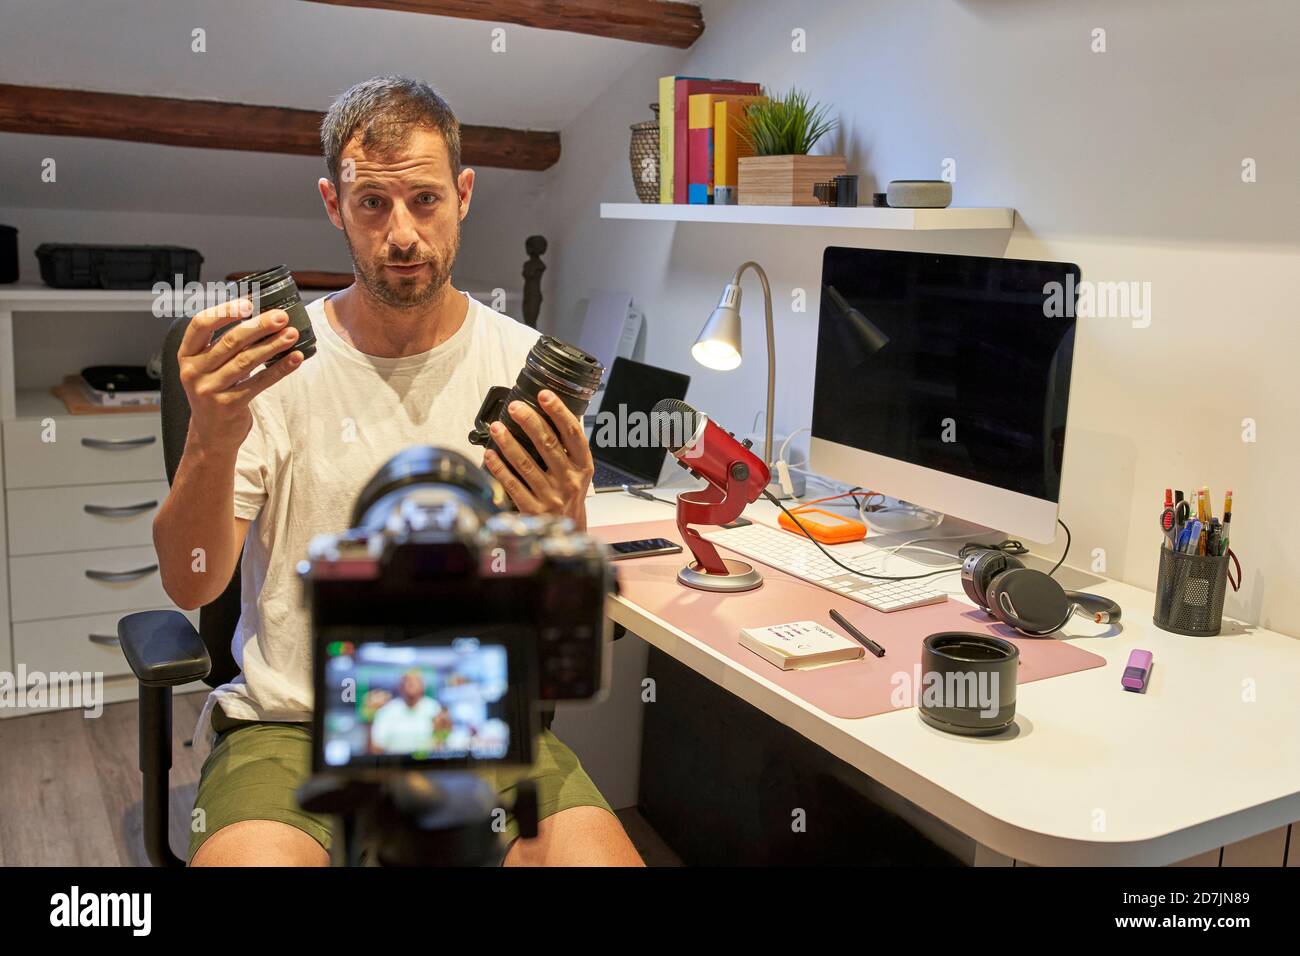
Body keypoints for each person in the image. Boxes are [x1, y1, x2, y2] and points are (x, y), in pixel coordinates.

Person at [152, 75, 642, 867]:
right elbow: (189, 585)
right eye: (373, 204)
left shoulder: (523, 369)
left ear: (464, 193)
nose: (403, 234)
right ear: (333, 205)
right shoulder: (271, 368)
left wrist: (562, 523)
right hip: (296, 727)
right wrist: (212, 436)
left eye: (424, 200)